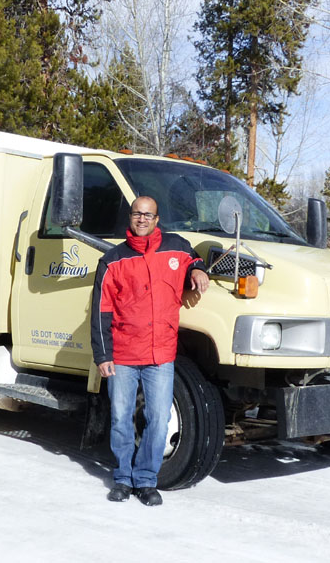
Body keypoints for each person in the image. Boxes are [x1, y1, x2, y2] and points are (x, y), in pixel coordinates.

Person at [91, 196, 209, 506]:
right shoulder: (113, 260)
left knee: (158, 420)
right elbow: (100, 311)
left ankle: (145, 480)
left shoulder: (176, 246)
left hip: (160, 355)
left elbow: (195, 258)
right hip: (124, 355)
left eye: (148, 215)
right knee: (121, 419)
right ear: (129, 218)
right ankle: (122, 478)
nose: (142, 219)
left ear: (157, 220)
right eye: (137, 214)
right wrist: (103, 356)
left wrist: (198, 270)